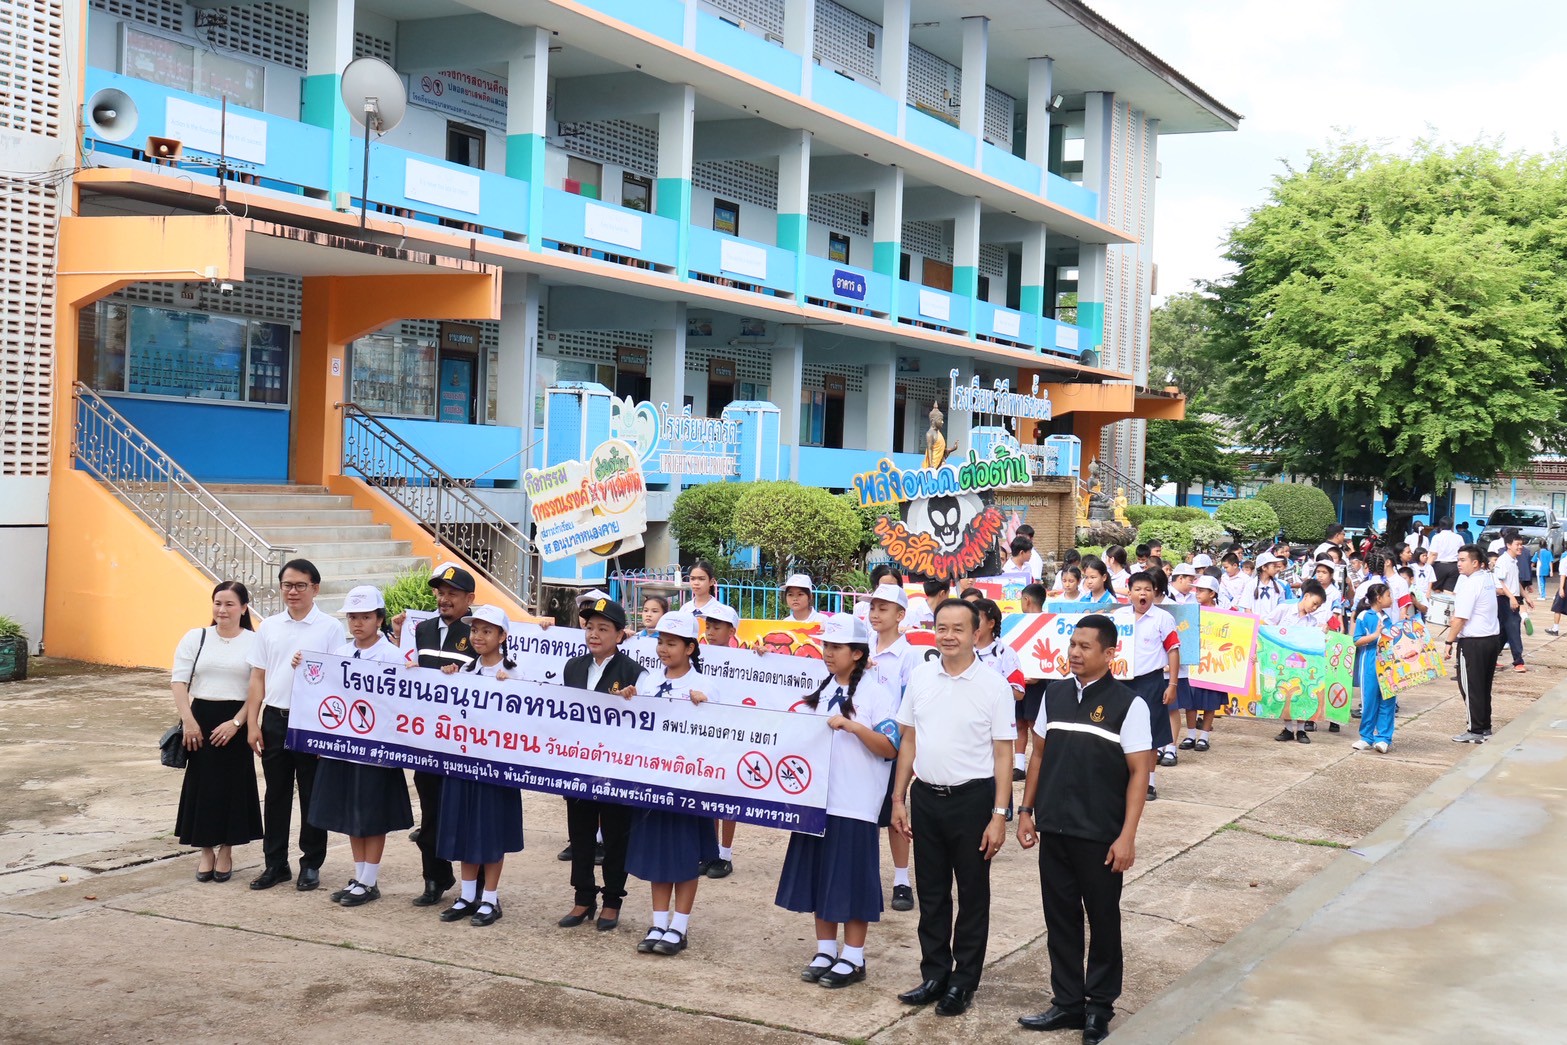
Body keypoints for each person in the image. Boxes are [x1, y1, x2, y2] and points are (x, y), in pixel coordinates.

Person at [1015, 614, 1153, 1044]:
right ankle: (1068, 1003)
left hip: (1100, 836)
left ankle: (1099, 1008)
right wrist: (1026, 811)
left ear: (1109, 653)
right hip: (1054, 830)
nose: (1074, 652)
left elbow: (1139, 773)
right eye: (1072, 644)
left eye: (1085, 646)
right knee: (1060, 919)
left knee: (1103, 921)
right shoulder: (1053, 694)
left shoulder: (1129, 704)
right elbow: (1038, 756)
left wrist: (1127, 836)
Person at [892, 600, 1015, 1018]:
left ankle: (963, 982)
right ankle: (934, 974)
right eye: (941, 627)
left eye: (958, 628)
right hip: (926, 798)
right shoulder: (921, 676)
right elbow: (909, 740)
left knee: (972, 894)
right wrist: (899, 798)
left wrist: (999, 815)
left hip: (973, 801)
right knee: (931, 892)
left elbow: (1004, 754)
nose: (948, 636)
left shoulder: (994, 686)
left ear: (976, 632)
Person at [777, 615, 900, 989]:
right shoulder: (820, 689)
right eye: (826, 646)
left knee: (851, 879)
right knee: (821, 876)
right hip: (816, 800)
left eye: (836, 647)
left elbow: (890, 747)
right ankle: (825, 949)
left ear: (857, 653)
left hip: (855, 802)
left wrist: (854, 727)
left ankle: (854, 956)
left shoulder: (877, 694)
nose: (828, 653)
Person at [244, 559, 347, 892]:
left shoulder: (329, 627)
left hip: (312, 722)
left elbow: (337, 679)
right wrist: (253, 723)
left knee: (312, 794)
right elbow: (257, 677)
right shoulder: (269, 626)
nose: (293, 591)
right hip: (275, 718)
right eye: (287, 585)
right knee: (276, 795)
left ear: (315, 588)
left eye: (300, 585)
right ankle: (275, 864)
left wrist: (328, 733)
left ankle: (311, 864)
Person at [311, 586, 413, 907]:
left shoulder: (392, 656)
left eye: (365, 617)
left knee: (372, 814)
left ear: (379, 619)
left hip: (377, 748)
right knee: (351, 813)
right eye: (353, 617)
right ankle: (359, 877)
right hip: (345, 747)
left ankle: (369, 879)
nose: (358, 623)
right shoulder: (341, 653)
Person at [623, 611, 717, 956]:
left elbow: (720, 733)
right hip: (653, 781)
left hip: (687, 785)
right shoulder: (648, 681)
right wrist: (631, 699)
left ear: (690, 648)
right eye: (661, 642)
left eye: (672, 643)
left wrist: (706, 708)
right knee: (658, 855)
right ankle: (658, 922)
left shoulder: (705, 686)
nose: (664, 649)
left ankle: (680, 926)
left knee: (685, 856)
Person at [393, 564, 478, 906]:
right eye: (440, 593)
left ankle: (477, 886)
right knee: (430, 812)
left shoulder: (479, 630)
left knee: (466, 813)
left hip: (465, 739)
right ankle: (435, 877)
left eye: (452, 594)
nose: (444, 599)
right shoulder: (423, 629)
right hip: (429, 738)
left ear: (469, 598)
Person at [435, 605, 525, 927]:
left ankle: (490, 898)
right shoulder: (465, 671)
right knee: (465, 827)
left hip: (496, 768)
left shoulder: (515, 674)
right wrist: (447, 678)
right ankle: (467, 895)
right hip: (464, 763)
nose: (479, 636)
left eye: (487, 631)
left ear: (502, 636)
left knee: (491, 831)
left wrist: (510, 687)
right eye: (475, 630)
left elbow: (526, 720)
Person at [559, 596, 643, 932]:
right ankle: (583, 897)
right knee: (580, 833)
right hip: (579, 764)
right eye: (590, 627)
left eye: (603, 629)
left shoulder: (634, 672)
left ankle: (612, 900)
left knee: (615, 835)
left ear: (620, 635)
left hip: (616, 769)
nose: (594, 634)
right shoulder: (573, 667)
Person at [172, 581, 262, 883]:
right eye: (218, 603)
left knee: (233, 788)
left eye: (229, 604)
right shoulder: (196, 637)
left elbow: (257, 689)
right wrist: (189, 720)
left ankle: (226, 850)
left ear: (244, 608)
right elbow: (179, 681)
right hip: (200, 721)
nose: (222, 610)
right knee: (203, 787)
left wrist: (237, 723)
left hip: (236, 721)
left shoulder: (254, 642)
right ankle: (206, 850)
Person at [866, 583, 918, 912]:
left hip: (892, 747)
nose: (875, 614)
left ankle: (902, 880)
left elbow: (909, 707)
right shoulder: (861, 647)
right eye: (873, 607)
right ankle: (867, 877)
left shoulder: (908, 656)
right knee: (864, 813)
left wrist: (893, 743)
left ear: (900, 616)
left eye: (883, 609)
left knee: (896, 811)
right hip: (859, 743)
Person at [1121, 573, 1178, 796]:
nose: (1142, 593)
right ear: (1129, 593)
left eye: (1147, 589)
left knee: (1151, 732)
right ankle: (1124, 778)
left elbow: (1173, 650)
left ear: (1154, 592)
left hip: (1151, 682)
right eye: (1137, 589)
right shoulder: (1119, 617)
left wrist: (1172, 684)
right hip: (1122, 682)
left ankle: (1149, 782)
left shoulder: (1163, 618)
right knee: (1122, 731)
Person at [1444, 544, 1501, 744]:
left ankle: (1475, 729)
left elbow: (1460, 618)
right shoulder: (1487, 579)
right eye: (1458, 560)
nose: (1459, 564)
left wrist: (1449, 641)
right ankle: (1484, 727)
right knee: (1483, 686)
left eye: (1463, 560)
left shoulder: (1470, 584)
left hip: (1474, 642)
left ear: (1475, 563)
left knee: (1471, 687)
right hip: (1491, 639)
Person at [1270, 581, 1328, 743]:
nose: (1314, 608)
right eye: (1314, 603)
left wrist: (1322, 632)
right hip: (1283, 659)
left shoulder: (1312, 621)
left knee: (1302, 693)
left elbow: (1316, 640)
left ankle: (1301, 730)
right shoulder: (1284, 609)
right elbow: (1266, 624)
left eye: (1318, 606)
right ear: (1306, 596)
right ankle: (1288, 728)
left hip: (1303, 664)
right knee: (1286, 692)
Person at [1176, 576, 1226, 751]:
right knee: (1190, 701)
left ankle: (1204, 736)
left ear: (1212, 593)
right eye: (1196, 590)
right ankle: (1191, 735)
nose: (1197, 593)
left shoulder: (1223, 614)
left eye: (1201, 590)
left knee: (1210, 701)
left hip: (1213, 663)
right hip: (1193, 663)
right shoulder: (1189, 610)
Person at [1350, 584, 1397, 753]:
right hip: (1369, 661)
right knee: (1369, 700)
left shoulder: (1387, 618)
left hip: (1387, 663)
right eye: (1388, 595)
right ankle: (1366, 737)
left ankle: (1384, 738)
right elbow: (1356, 640)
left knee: (1388, 699)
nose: (1391, 599)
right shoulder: (1364, 616)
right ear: (1379, 598)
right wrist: (1375, 636)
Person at [1494, 533, 1528, 672]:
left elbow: (1515, 582)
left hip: (1513, 598)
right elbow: (1500, 583)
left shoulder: (1514, 561)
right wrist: (1511, 598)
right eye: (1517, 544)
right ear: (1508, 545)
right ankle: (1518, 661)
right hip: (1505, 599)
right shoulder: (1503, 561)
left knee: (1504, 631)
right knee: (1513, 627)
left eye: (1521, 544)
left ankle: (1491, 657)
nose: (1520, 547)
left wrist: (1526, 597)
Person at [1428, 519, 1463, 592]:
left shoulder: (1437, 537)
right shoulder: (1458, 537)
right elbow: (1462, 552)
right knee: (1449, 591)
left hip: (1439, 566)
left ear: (1440, 526)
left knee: (1434, 589)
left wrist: (1427, 567)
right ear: (1452, 526)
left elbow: (1433, 554)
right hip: (1454, 566)